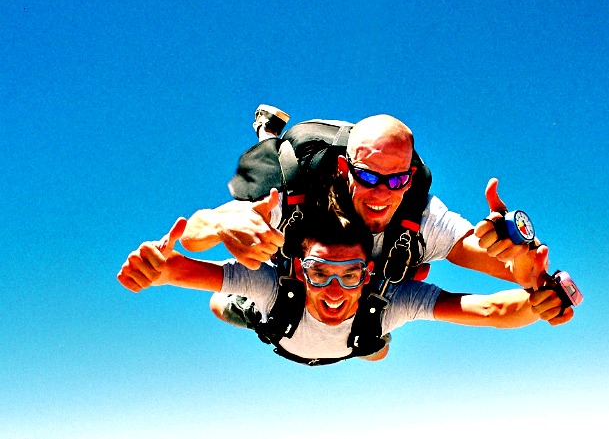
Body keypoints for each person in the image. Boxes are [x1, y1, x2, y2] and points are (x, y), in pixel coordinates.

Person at [180, 113, 575, 324]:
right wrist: (223, 223)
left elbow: (508, 274)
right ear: (343, 168)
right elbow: (193, 237)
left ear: (410, 180)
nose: (382, 194)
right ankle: (269, 132)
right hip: (294, 277)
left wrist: (520, 258)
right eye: (367, 177)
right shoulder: (296, 199)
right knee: (220, 304)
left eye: (397, 179)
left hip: (357, 302)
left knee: (375, 350)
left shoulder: (421, 215)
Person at [117, 211, 567, 365]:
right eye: (319, 273)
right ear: (299, 269)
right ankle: (243, 310)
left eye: (350, 275)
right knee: (220, 305)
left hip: (360, 340)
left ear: (368, 275)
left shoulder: (388, 301)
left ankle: (372, 343)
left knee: (378, 347)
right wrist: (154, 268)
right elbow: (178, 269)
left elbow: (492, 310)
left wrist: (537, 302)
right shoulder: (277, 287)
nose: (334, 291)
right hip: (278, 327)